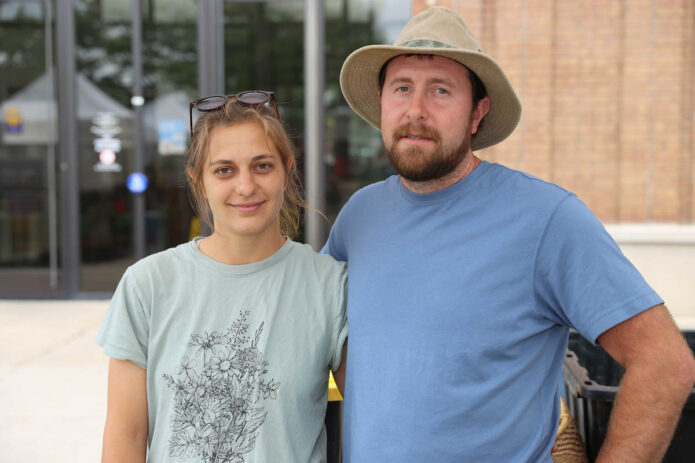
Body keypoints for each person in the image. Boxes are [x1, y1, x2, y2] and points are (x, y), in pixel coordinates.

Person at [323, 7, 695, 462]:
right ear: (382, 101)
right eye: (402, 88)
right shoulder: (360, 216)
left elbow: (664, 363)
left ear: (478, 112)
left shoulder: (547, 219)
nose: (415, 110)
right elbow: (326, 342)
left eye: (441, 90)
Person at [97, 92, 348, 462]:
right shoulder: (148, 284)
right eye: (224, 170)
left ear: (288, 170)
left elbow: (370, 419)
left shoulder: (330, 285)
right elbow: (126, 435)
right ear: (198, 181)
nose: (245, 187)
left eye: (262, 166)